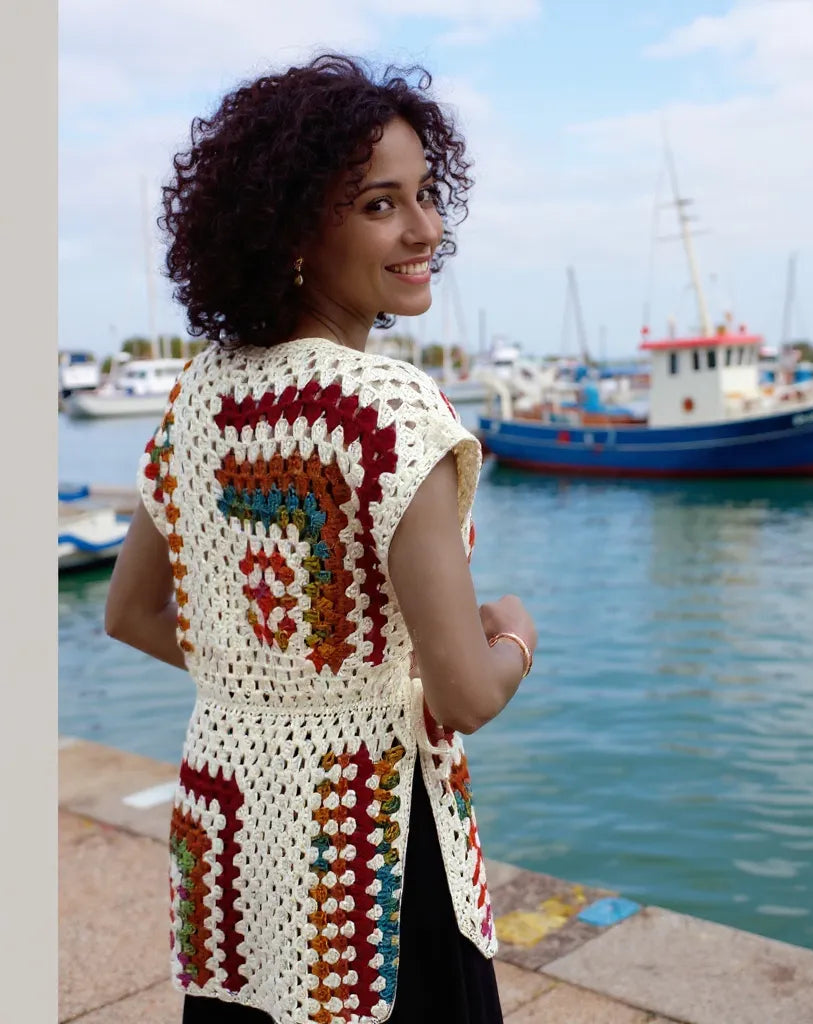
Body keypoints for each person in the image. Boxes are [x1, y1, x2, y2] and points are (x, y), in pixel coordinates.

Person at [104, 53, 537, 1024]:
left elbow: (129, 614)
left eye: (427, 194)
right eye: (381, 204)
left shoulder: (201, 392)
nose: (425, 229)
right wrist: (514, 634)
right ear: (294, 228)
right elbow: (465, 694)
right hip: (367, 866)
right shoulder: (389, 412)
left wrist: (277, 683)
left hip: (231, 847)